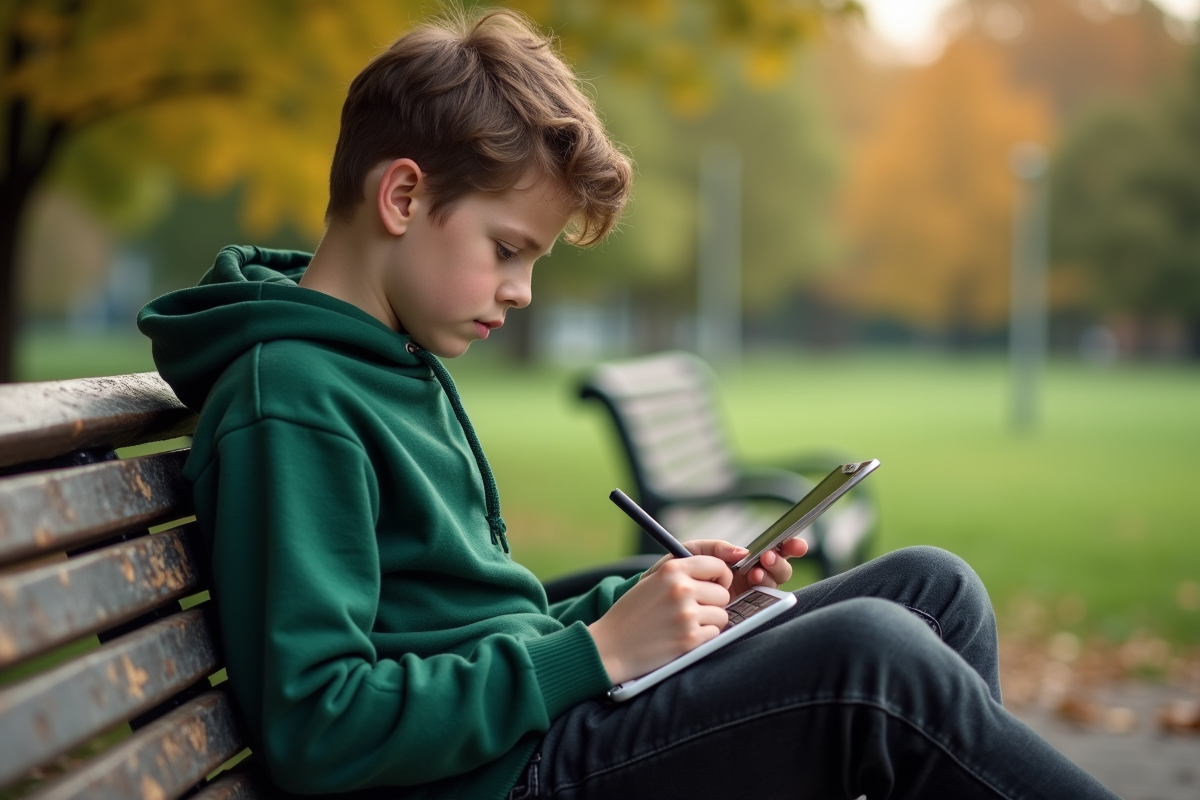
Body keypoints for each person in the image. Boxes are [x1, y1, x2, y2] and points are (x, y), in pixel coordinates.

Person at [138, 9, 1119, 800]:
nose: (521, 292)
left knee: (929, 589)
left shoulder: (381, 362)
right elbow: (319, 723)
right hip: (496, 773)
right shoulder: (294, 401)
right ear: (402, 197)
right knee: (873, 662)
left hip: (524, 732)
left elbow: (477, 618)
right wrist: (599, 649)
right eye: (510, 248)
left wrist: (660, 606)